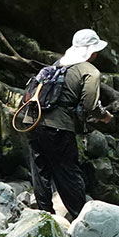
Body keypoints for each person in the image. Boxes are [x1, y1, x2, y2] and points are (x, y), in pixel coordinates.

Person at [25, 28, 113, 217]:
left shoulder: (58, 65)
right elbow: (90, 105)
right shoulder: (90, 71)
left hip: (33, 122)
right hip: (58, 127)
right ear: (91, 51)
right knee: (68, 172)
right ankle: (81, 219)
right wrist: (104, 116)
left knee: (40, 170)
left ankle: (44, 214)